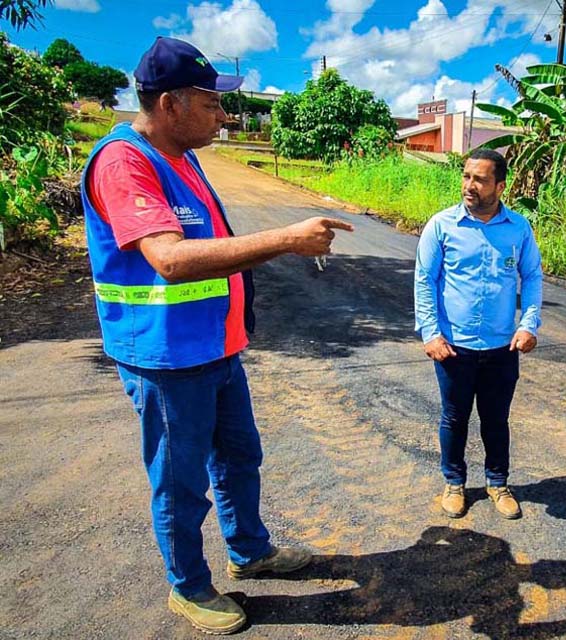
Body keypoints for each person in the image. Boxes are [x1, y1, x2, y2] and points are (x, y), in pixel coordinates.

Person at [80, 37, 354, 635]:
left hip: (216, 347)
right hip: (167, 357)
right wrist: (286, 239)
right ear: (170, 104)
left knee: (238, 457)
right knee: (181, 483)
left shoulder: (182, 156)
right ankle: (189, 586)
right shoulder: (123, 162)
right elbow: (170, 260)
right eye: (211, 103)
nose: (223, 116)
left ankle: (249, 551)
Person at [414, 148, 543, 520]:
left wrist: (528, 324)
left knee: (496, 419)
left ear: (500, 186)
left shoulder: (518, 228)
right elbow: (424, 280)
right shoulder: (442, 226)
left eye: (480, 179)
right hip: (454, 347)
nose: (469, 185)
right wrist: (430, 333)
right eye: (466, 176)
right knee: (454, 418)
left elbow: (532, 276)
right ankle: (454, 483)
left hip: (502, 347)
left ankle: (498, 483)